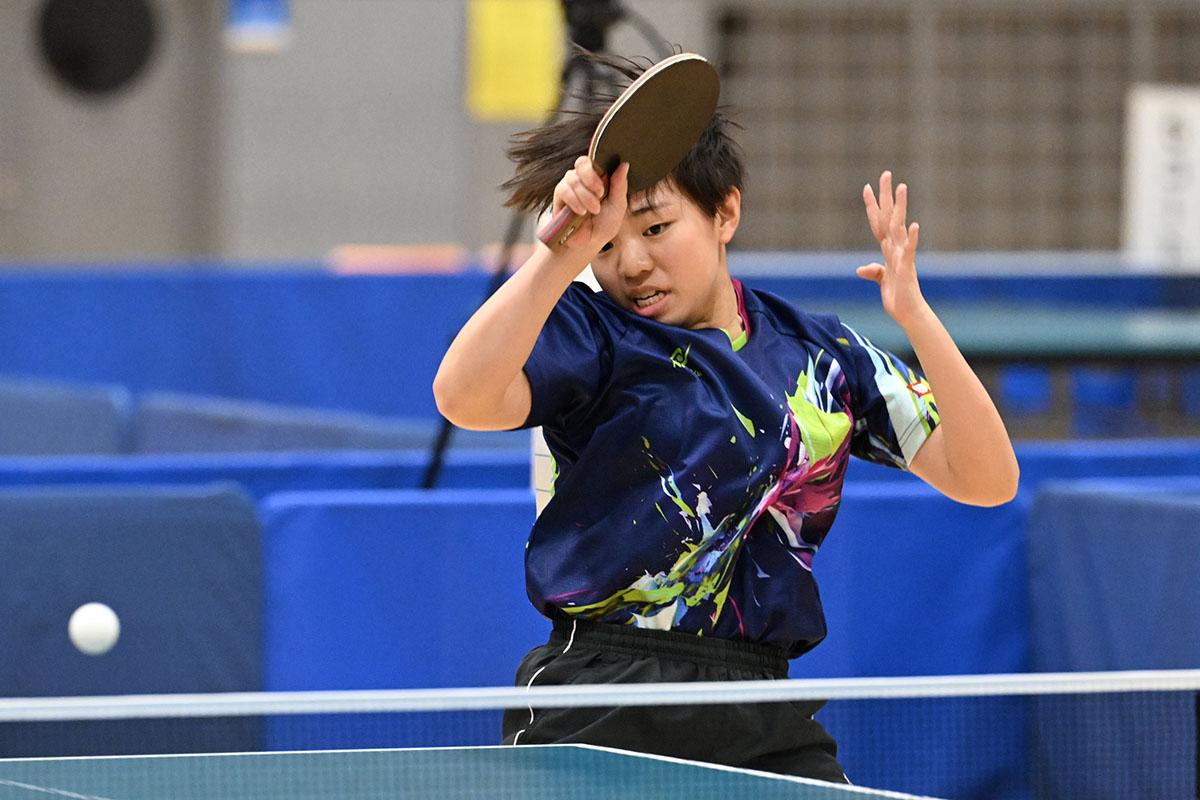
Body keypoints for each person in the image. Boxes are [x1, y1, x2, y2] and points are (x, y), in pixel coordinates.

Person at [432, 52, 1019, 783]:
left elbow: (987, 479)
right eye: (607, 245)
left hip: (760, 706)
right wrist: (558, 257)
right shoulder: (593, 335)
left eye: (654, 228)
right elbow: (461, 398)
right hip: (601, 695)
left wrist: (917, 318)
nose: (630, 263)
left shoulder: (821, 356)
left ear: (726, 213)